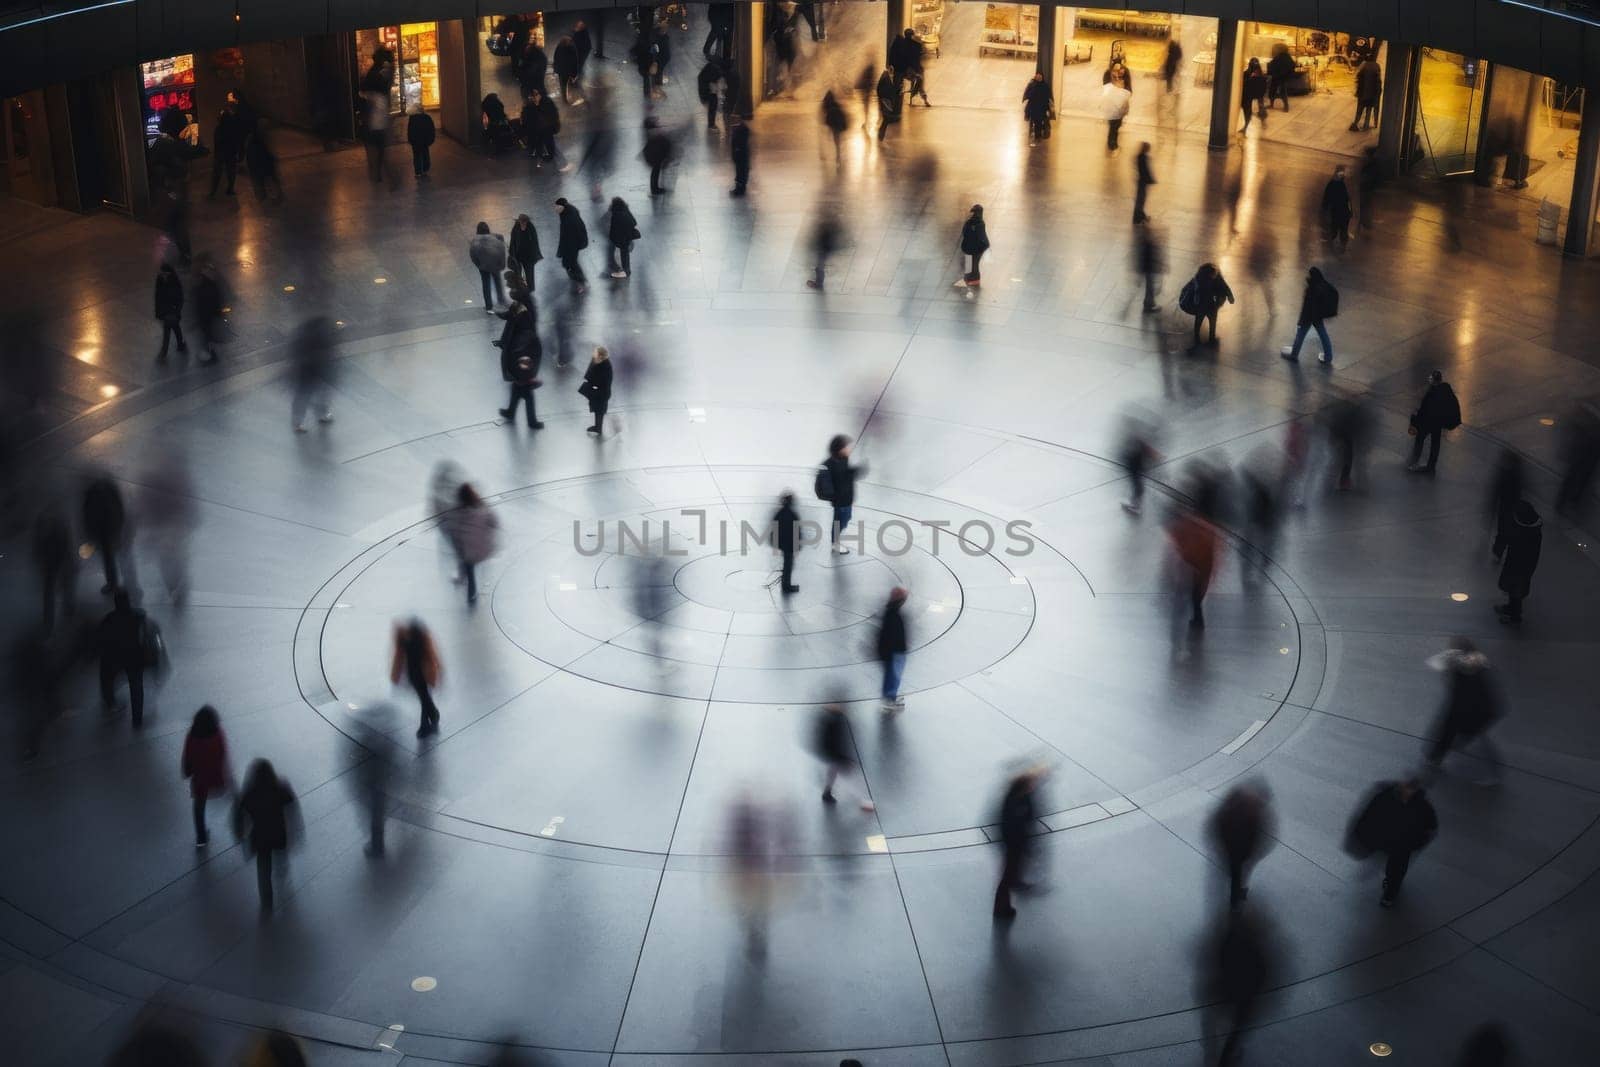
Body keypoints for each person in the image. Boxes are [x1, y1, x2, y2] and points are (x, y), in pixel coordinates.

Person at [1347, 778, 1438, 907]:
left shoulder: (1420, 805)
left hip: (1402, 844)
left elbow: (1430, 827)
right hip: (1391, 839)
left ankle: (1390, 892)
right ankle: (1390, 888)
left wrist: (1415, 843)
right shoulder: (1390, 797)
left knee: (1396, 869)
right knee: (1395, 867)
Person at [1424, 638, 1504, 784]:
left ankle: (1436, 758)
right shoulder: (1479, 665)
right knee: (1476, 737)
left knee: (1456, 734)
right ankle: (1494, 773)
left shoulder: (1462, 674)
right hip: (1485, 711)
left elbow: (1455, 709)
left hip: (1470, 713)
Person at [232, 759, 298, 913]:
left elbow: (239, 814)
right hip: (279, 833)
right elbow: (292, 806)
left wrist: (239, 833)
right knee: (281, 856)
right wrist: (296, 830)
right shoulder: (280, 788)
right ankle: (281, 872)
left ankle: (267, 902)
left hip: (260, 837)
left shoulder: (249, 793)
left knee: (263, 870)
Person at [1208, 783, 1274, 908]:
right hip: (1234, 853)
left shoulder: (1254, 814)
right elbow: (1219, 827)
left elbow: (1260, 836)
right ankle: (1235, 901)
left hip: (1242, 853)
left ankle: (1236, 894)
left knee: (1238, 874)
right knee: (1236, 875)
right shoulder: (1232, 812)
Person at [993, 767, 1043, 920]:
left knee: (1009, 873)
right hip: (1014, 843)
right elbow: (1016, 823)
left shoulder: (1018, 797)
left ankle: (1010, 893)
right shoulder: (1014, 801)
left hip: (1015, 842)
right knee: (1007, 876)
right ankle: (1002, 907)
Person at [99, 589, 151, 731]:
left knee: (107, 678)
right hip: (135, 657)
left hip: (116, 657)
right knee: (136, 688)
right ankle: (137, 719)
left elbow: (102, 639)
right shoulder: (139, 615)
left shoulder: (109, 619)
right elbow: (145, 634)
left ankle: (110, 702)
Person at [181, 705, 230, 847]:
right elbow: (222, 753)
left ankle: (201, 837)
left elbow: (187, 756)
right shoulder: (218, 735)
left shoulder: (192, 737)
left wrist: (187, 771)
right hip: (215, 775)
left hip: (200, 780)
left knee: (198, 807)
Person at [497, 289, 543, 429]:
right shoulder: (522, 321)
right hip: (522, 374)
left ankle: (528, 420)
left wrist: (524, 375)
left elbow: (525, 356)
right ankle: (514, 414)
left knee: (524, 395)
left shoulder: (524, 335)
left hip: (523, 375)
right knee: (519, 394)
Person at [445, 483, 499, 603]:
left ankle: (470, 593)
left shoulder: (458, 513)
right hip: (484, 550)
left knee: (467, 566)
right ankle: (463, 576)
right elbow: (495, 523)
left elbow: (453, 531)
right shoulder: (483, 510)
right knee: (467, 558)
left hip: (468, 554)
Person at [813, 704, 875, 810]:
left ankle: (827, 793)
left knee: (833, 772)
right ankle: (865, 802)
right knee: (853, 778)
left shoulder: (828, 718)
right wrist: (844, 757)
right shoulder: (836, 720)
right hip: (838, 756)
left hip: (832, 756)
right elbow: (837, 741)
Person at [391, 618, 442, 737]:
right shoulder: (404, 637)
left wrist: (438, 669)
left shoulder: (421, 637)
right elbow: (399, 657)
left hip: (423, 673)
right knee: (424, 697)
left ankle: (426, 722)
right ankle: (433, 714)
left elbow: (432, 655)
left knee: (424, 697)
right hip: (413, 673)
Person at [1168, 506, 1217, 630]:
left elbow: (1189, 553)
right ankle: (1196, 620)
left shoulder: (1195, 534)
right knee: (1195, 597)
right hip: (1200, 569)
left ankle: (1196, 621)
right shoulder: (1201, 531)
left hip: (1198, 570)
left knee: (1194, 596)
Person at [1495, 500, 1542, 625]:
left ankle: (1515, 616)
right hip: (1524, 564)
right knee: (1515, 589)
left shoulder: (1522, 530)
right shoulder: (1534, 529)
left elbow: (1507, 537)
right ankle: (1511, 608)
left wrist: (1500, 548)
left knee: (1516, 590)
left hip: (1518, 563)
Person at [1279, 267, 1338, 364]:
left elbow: (1306, 307)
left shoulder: (1311, 289)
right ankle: (1328, 356)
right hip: (1318, 316)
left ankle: (1294, 354)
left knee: (1300, 334)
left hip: (1309, 316)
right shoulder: (1323, 285)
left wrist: (1301, 320)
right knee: (1323, 335)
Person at [289, 314, 337, 432]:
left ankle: (298, 422)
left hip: (308, 372)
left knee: (305, 396)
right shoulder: (322, 339)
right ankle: (320, 415)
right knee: (316, 394)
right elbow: (328, 353)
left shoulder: (303, 339)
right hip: (315, 371)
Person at [1408, 370, 1461, 473]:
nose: (1429, 379)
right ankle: (1431, 467)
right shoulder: (1445, 389)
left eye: (1430, 378)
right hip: (1438, 423)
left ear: (1433, 380)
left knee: (1420, 439)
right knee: (1435, 444)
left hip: (1428, 422)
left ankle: (1413, 461)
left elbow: (1425, 409)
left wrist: (1415, 419)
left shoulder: (1432, 393)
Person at [819, 433, 865, 553]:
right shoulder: (830, 464)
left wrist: (857, 471)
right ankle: (835, 543)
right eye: (846, 447)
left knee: (846, 519)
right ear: (839, 449)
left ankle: (836, 540)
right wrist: (835, 495)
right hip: (841, 501)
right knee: (840, 522)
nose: (849, 449)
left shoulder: (844, 460)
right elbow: (826, 483)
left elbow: (847, 475)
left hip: (847, 500)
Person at [31, 506, 75, 632]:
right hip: (56, 561)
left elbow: (38, 546)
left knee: (51, 591)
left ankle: (50, 621)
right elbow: (66, 543)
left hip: (52, 562)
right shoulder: (59, 524)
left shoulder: (43, 525)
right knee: (61, 588)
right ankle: (64, 614)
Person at [83, 476, 126, 594]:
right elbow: (118, 509)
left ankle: (114, 583)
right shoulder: (107, 490)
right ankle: (114, 583)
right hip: (107, 529)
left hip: (107, 529)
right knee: (111, 557)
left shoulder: (92, 492)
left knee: (110, 557)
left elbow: (87, 513)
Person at [358, 50, 396, 185]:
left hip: (373, 117)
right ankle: (383, 174)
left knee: (375, 147)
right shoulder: (381, 73)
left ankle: (377, 173)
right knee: (380, 147)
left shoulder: (374, 73)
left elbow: (363, 92)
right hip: (376, 117)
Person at [1183, 263, 1234, 347]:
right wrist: (1229, 297)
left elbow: (1225, 287)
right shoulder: (1200, 280)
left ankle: (1208, 337)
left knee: (1208, 321)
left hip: (1208, 305)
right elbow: (1225, 287)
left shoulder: (1214, 278)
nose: (1214, 276)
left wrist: (1230, 297)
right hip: (1205, 306)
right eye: (1212, 275)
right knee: (1202, 321)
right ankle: (1202, 336)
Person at [1487, 449, 1524, 563]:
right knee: (1507, 531)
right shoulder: (1517, 475)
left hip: (1505, 507)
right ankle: (1501, 551)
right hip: (1511, 507)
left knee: (1503, 531)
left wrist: (1492, 505)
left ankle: (1498, 551)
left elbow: (1496, 490)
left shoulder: (1504, 474)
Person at [877, 587, 910, 712]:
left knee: (890, 676)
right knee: (894, 677)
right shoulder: (894, 614)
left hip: (891, 652)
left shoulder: (890, 612)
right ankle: (890, 700)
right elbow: (893, 635)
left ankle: (888, 698)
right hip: (896, 652)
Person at [191, 254, 226, 363]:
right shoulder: (206, 282)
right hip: (206, 316)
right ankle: (210, 354)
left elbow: (212, 300)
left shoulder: (207, 284)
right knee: (207, 336)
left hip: (206, 316)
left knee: (207, 336)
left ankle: (210, 355)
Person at [470, 221, 507, 312]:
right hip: (495, 265)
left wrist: (478, 264)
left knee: (486, 284)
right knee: (498, 282)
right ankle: (501, 301)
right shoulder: (497, 238)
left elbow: (473, 255)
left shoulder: (475, 241)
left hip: (483, 267)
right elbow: (502, 252)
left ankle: (489, 306)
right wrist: (502, 264)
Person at [555, 197, 589, 291]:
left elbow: (575, 231)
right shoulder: (565, 213)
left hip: (572, 244)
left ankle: (581, 282)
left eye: (557, 206)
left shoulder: (570, 217)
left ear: (562, 207)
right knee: (569, 263)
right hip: (569, 243)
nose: (555, 209)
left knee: (571, 263)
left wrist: (570, 246)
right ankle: (580, 280)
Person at [154, 263, 187, 360]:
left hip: (171, 311)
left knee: (168, 331)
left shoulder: (174, 282)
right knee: (175, 328)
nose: (163, 275)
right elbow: (158, 297)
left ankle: (164, 352)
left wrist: (176, 310)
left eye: (165, 274)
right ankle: (180, 344)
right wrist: (158, 312)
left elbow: (179, 298)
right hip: (166, 311)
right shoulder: (160, 280)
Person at [889, 28, 929, 106]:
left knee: (897, 85)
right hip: (908, 69)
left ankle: (897, 99)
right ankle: (920, 96)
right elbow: (916, 58)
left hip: (901, 69)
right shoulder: (915, 45)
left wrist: (891, 65)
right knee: (920, 79)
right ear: (912, 35)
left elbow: (892, 55)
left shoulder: (899, 43)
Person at [207, 106, 241, 198]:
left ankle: (213, 192)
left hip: (221, 154)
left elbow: (217, 143)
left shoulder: (219, 129)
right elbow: (236, 141)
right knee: (231, 172)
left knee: (217, 173)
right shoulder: (233, 128)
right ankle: (230, 189)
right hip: (231, 153)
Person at [581, 345, 613, 435]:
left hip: (602, 393)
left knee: (599, 410)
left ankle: (598, 428)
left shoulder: (605, 366)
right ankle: (597, 427)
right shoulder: (600, 362)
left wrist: (593, 383)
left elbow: (601, 380)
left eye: (595, 353)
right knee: (597, 409)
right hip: (600, 391)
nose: (593, 354)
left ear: (600, 356)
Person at [955, 204, 989, 288]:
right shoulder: (981, 223)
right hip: (978, 248)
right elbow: (982, 236)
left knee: (969, 263)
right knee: (975, 264)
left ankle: (968, 279)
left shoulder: (969, 222)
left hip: (968, 247)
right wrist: (985, 244)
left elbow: (964, 232)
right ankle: (974, 280)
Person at [773, 491, 801, 595]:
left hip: (784, 544)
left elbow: (775, 529)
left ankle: (786, 585)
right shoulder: (792, 515)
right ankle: (786, 586)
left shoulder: (780, 514)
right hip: (789, 545)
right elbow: (796, 531)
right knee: (788, 565)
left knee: (787, 564)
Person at [806, 212, 842, 291]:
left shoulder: (825, 230)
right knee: (819, 267)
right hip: (824, 249)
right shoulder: (827, 229)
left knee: (819, 267)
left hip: (824, 249)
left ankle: (819, 284)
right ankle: (819, 283)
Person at [1102, 63, 1132, 151]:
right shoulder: (1110, 76)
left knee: (1116, 126)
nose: (1119, 72)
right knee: (1113, 127)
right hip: (1112, 106)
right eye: (1117, 70)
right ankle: (1112, 145)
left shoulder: (1125, 79)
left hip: (1121, 107)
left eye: (1121, 70)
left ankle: (1112, 143)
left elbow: (1128, 91)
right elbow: (1106, 90)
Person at [606, 197, 639, 280]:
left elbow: (613, 230)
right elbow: (634, 222)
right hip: (627, 237)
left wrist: (613, 239)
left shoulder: (616, 215)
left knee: (622, 254)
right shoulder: (625, 209)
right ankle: (625, 270)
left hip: (621, 239)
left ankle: (625, 271)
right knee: (624, 253)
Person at [1322, 165, 1353, 248]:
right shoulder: (1341, 185)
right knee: (1341, 229)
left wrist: (1324, 209)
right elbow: (1347, 199)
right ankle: (1341, 245)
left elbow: (1326, 198)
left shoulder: (1332, 184)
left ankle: (1335, 245)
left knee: (1336, 229)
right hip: (1342, 212)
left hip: (1337, 211)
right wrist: (1350, 211)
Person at [508, 213, 542, 289]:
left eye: (525, 222)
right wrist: (512, 254)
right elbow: (513, 241)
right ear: (519, 221)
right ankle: (520, 288)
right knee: (518, 273)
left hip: (529, 257)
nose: (523, 224)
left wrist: (535, 254)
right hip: (518, 256)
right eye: (522, 222)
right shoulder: (516, 227)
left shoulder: (531, 227)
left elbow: (535, 242)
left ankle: (530, 288)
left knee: (529, 273)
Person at [1135, 225, 1163, 313]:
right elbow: (1149, 257)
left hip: (1148, 269)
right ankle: (1149, 305)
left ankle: (1149, 304)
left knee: (1150, 287)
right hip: (1149, 269)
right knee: (1150, 287)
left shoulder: (1144, 243)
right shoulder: (1148, 244)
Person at [643, 118, 673, 195]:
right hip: (655, 155)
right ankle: (654, 189)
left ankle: (655, 188)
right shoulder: (652, 133)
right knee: (655, 171)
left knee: (656, 170)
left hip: (655, 155)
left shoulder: (650, 133)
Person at [1352, 56, 1383, 131]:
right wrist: (1378, 92)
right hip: (1372, 93)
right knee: (1369, 109)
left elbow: (1358, 77)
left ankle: (1355, 123)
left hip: (1363, 92)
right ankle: (1366, 125)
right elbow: (1378, 81)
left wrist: (1358, 92)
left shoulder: (1364, 65)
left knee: (1359, 109)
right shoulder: (1377, 66)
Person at [1022, 71, 1053, 146]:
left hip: (1042, 108)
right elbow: (1028, 94)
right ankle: (1036, 136)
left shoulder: (1045, 86)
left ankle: (1038, 136)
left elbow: (1048, 97)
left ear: (1042, 77)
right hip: (1034, 107)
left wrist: (1048, 108)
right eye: (1037, 76)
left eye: (1040, 77)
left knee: (1039, 122)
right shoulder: (1032, 85)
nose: (1039, 78)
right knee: (1035, 122)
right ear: (1035, 77)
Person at [406, 103, 435, 178]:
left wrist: (410, 140)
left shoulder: (412, 118)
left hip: (415, 141)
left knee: (416, 156)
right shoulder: (427, 117)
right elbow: (431, 129)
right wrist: (431, 139)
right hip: (425, 141)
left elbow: (410, 130)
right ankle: (425, 169)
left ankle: (418, 172)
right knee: (425, 154)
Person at [820, 89, 848, 165]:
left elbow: (825, 116)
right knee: (837, 141)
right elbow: (842, 115)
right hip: (838, 125)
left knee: (833, 139)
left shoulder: (826, 105)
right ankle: (838, 155)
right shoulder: (836, 104)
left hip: (832, 125)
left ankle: (827, 155)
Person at [1240, 57, 1268, 130]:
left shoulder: (1247, 73)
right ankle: (1261, 121)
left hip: (1250, 94)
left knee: (1253, 106)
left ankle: (1247, 124)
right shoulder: (1260, 74)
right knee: (1260, 105)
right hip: (1254, 93)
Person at [1266, 43, 1297, 111]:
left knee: (1279, 91)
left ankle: (1285, 106)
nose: (1273, 51)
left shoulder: (1282, 57)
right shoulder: (1284, 56)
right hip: (1279, 76)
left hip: (1280, 77)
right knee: (1275, 90)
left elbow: (1274, 64)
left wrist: (1270, 69)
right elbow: (1292, 65)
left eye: (1274, 49)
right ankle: (1284, 106)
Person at [553, 35, 582, 104]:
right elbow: (575, 61)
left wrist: (555, 69)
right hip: (567, 70)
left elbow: (555, 57)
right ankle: (566, 96)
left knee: (562, 84)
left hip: (561, 70)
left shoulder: (559, 46)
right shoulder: (572, 48)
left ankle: (564, 97)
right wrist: (574, 74)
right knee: (566, 82)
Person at [875, 68, 902, 142]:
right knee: (886, 119)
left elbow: (889, 90)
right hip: (885, 101)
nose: (892, 72)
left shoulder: (887, 78)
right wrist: (883, 98)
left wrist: (898, 90)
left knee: (885, 119)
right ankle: (880, 136)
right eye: (891, 70)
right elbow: (880, 90)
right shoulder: (885, 78)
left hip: (887, 101)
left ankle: (880, 135)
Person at [698, 59, 725, 130]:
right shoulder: (714, 74)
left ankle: (711, 124)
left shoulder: (709, 71)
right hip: (708, 90)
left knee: (712, 105)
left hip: (707, 88)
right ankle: (711, 124)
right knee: (713, 105)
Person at [1133, 142, 1155, 223]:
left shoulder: (1140, 156)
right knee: (1141, 200)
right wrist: (1150, 180)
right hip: (1143, 182)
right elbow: (1145, 171)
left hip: (1141, 181)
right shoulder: (1143, 158)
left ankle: (1140, 217)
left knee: (1140, 200)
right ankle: (1139, 217)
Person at [729, 114, 751, 195]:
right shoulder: (740, 129)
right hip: (740, 154)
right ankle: (740, 187)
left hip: (740, 155)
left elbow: (738, 143)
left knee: (741, 171)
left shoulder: (741, 130)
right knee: (740, 171)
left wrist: (736, 152)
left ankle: (740, 189)